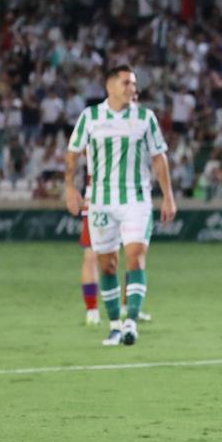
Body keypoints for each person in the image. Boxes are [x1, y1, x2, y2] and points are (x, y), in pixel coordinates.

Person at [65, 65, 177, 346]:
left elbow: (159, 159)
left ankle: (131, 323)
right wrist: (69, 187)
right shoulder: (90, 117)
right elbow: (73, 154)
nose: (132, 88)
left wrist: (168, 195)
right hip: (100, 201)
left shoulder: (145, 118)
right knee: (107, 265)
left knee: (136, 256)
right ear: (110, 86)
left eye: (134, 84)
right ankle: (114, 324)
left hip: (136, 199)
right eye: (127, 83)